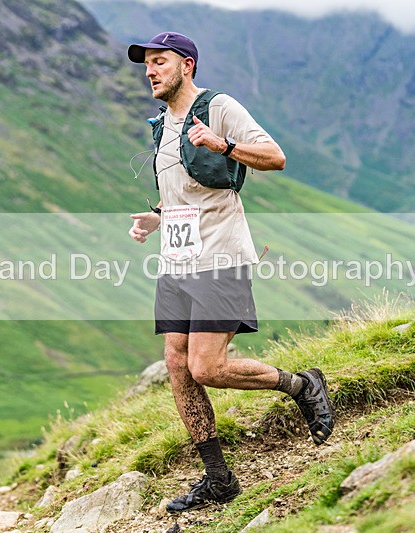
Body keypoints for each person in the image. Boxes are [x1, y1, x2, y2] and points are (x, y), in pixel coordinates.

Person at [126, 31, 335, 513]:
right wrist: (156, 218)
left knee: (207, 367)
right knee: (177, 364)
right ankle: (218, 478)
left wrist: (224, 144)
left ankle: (302, 385)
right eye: (147, 65)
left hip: (220, 255)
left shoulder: (219, 107)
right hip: (177, 259)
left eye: (160, 62)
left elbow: (275, 157)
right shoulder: (162, 125)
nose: (150, 71)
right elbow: (185, 195)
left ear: (187, 65)